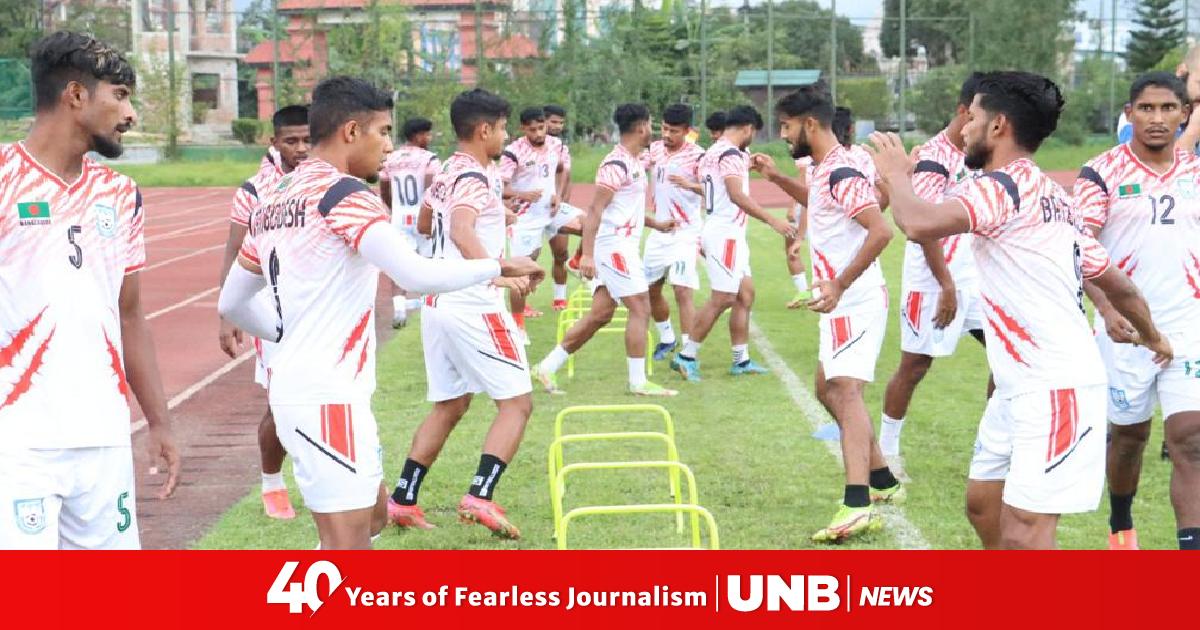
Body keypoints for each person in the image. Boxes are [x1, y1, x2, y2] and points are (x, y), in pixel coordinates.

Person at [217, 76, 542, 549]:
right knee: (348, 546)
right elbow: (413, 275)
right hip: (326, 395)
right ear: (352, 131)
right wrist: (498, 266)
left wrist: (284, 334)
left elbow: (231, 302)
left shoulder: (274, 198)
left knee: (372, 516)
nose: (389, 146)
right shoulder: (345, 195)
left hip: (309, 389)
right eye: (384, 132)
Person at [868, 70, 1171, 549]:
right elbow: (1119, 285)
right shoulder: (1051, 196)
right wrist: (1152, 335)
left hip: (1055, 386)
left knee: (1027, 532)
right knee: (983, 504)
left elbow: (919, 223)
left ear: (998, 125)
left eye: (973, 117)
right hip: (1017, 387)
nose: (964, 128)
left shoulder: (1003, 187)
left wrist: (896, 175)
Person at [0, 31, 180, 549]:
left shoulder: (120, 194)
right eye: (119, 96)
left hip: (104, 439)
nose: (131, 114)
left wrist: (159, 422)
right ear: (75, 95)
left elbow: (130, 313)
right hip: (18, 443)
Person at [386, 89, 537, 539]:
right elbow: (459, 228)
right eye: (503, 128)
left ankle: (403, 499)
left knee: (451, 403)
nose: (505, 137)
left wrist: (496, 217)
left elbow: (426, 223)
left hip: (438, 302)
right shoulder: (473, 175)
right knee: (517, 403)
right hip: (473, 304)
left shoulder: (448, 169)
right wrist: (497, 272)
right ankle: (479, 496)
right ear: (484, 130)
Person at [755, 86, 900, 542]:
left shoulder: (839, 171)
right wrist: (777, 178)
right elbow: (822, 202)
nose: (782, 134)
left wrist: (839, 283)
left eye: (786, 126)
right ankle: (882, 479)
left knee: (844, 391)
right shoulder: (826, 169)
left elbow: (880, 230)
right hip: (841, 300)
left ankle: (856, 504)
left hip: (854, 299)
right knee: (826, 389)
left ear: (810, 124)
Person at [1073, 71, 1200, 551]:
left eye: (1168, 108)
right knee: (1129, 437)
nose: (1157, 118)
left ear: (1185, 114)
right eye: (1146, 108)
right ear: (1129, 114)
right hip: (1123, 331)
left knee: (1191, 439)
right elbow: (1080, 247)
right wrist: (1107, 309)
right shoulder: (1099, 173)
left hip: (1188, 325)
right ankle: (1121, 523)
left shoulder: (1196, 172)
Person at [878, 74, 992, 468]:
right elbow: (922, 225)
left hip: (976, 281)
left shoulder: (981, 153)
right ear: (964, 111)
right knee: (914, 366)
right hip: (932, 283)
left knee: (1007, 358)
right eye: (982, 114)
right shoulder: (933, 158)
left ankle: (992, 444)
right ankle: (887, 452)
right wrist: (946, 284)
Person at [532, 103, 678, 397]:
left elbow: (625, 210)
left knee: (601, 314)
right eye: (651, 124)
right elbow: (596, 210)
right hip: (614, 249)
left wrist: (657, 224)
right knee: (640, 307)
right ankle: (638, 382)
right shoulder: (616, 165)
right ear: (641, 127)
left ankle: (546, 367)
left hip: (621, 247)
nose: (654, 130)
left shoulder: (634, 162)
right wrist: (586, 255)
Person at [217, 104, 309, 520]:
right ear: (274, 142)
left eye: (307, 140)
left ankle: (320, 474)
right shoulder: (254, 191)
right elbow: (235, 250)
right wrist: (227, 316)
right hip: (273, 312)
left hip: (318, 306)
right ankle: (272, 482)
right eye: (291, 141)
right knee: (280, 401)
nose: (301, 148)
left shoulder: (326, 183)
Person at [670, 105, 792, 383]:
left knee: (745, 295)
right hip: (725, 233)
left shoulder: (713, 152)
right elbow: (736, 194)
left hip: (726, 231)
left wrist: (750, 162)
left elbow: (719, 182)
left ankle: (741, 359)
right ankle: (686, 356)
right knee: (723, 297)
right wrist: (772, 220)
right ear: (748, 128)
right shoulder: (731, 155)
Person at [501, 107, 581, 341]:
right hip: (526, 218)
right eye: (532, 129)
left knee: (591, 225)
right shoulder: (513, 152)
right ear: (523, 129)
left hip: (551, 211)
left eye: (541, 128)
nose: (538, 133)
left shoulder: (556, 145)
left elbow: (561, 170)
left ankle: (576, 261)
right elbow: (500, 188)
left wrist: (557, 194)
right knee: (521, 272)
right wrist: (522, 195)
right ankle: (518, 327)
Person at [644, 103, 705, 362]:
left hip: (685, 233)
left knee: (682, 289)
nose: (667, 135)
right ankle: (667, 337)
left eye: (674, 131)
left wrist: (689, 185)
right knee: (650, 289)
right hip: (659, 232)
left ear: (687, 131)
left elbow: (712, 189)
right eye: (664, 129)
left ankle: (688, 354)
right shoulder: (655, 149)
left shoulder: (699, 156)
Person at [380, 117, 441, 329]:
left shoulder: (390, 159)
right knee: (430, 263)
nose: (429, 138)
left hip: (399, 218)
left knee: (400, 265)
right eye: (427, 134)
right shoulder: (429, 158)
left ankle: (399, 311)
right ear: (418, 135)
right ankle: (431, 307)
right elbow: (431, 190)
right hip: (423, 216)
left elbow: (384, 188)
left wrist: (394, 208)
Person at [544, 104, 579, 309]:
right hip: (531, 211)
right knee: (528, 258)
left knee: (561, 254)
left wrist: (562, 201)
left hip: (556, 209)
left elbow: (567, 177)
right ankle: (522, 305)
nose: (557, 126)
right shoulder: (525, 147)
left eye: (561, 122)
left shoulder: (562, 148)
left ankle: (560, 297)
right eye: (553, 122)